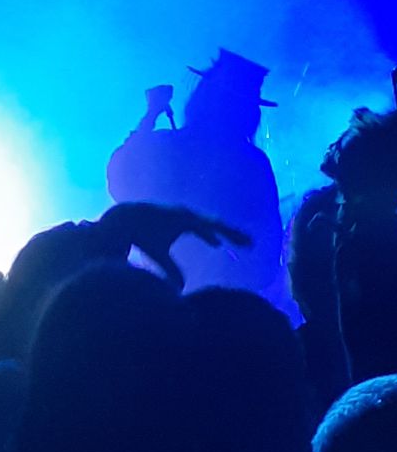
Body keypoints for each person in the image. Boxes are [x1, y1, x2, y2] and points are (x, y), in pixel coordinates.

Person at [107, 49, 283, 299]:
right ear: (249, 112)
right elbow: (266, 252)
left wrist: (151, 114)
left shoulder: (169, 146)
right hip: (220, 302)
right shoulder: (252, 163)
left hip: (157, 293)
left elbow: (120, 179)